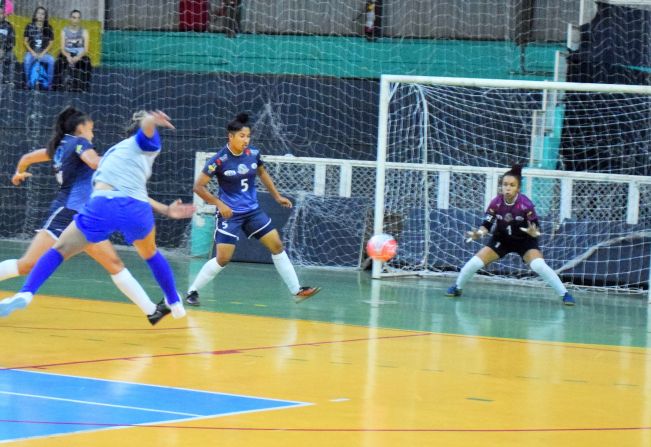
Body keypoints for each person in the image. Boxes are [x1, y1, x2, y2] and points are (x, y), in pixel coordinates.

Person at [0, 110, 194, 320]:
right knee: (28, 263)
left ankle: (152, 311)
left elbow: (27, 158)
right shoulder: (81, 143)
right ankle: (171, 302)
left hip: (95, 211)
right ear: (81, 127)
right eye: (91, 128)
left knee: (113, 264)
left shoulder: (63, 147)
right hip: (72, 211)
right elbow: (96, 163)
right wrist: (130, 149)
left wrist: (19, 173)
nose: (93, 133)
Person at [185, 113, 320, 306]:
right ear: (230, 137)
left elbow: (262, 173)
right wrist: (220, 204)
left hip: (252, 211)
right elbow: (198, 187)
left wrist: (277, 196)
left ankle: (297, 290)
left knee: (277, 245)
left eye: (248, 136)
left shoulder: (253, 154)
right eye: (242, 136)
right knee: (223, 258)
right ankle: (192, 291)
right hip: (230, 214)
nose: (246, 140)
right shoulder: (219, 160)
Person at [445, 164, 575, 306]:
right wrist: (479, 233)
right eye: (505, 184)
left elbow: (536, 230)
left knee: (539, 265)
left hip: (524, 241)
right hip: (502, 239)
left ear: (518, 188)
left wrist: (534, 231)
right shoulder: (495, 203)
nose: (507, 187)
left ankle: (565, 294)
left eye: (512, 185)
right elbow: (486, 225)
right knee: (474, 263)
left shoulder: (526, 205)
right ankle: (457, 288)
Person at [54, 9, 92, 92]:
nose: (76, 20)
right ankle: (56, 86)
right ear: (70, 18)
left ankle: (85, 86)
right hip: (67, 54)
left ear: (80, 19)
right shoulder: (64, 31)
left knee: (87, 61)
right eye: (74, 17)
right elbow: (62, 48)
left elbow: (86, 49)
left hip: (79, 55)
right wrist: (67, 56)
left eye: (78, 18)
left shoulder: (84, 32)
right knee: (58, 61)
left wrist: (78, 57)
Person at [23, 6, 54, 90]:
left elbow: (51, 43)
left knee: (51, 60)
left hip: (43, 54)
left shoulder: (49, 28)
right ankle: (28, 83)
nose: (40, 15)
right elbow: (25, 42)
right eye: (38, 13)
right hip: (32, 52)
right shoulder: (29, 26)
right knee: (26, 60)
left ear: (45, 16)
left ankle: (49, 85)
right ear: (35, 15)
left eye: (42, 14)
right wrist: (32, 52)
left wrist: (42, 53)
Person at [0, 1, 15, 83]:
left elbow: (12, 42)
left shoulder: (9, 26)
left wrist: (3, 50)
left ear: (4, 15)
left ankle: (8, 80)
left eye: (1, 13)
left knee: (11, 56)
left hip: (5, 51)